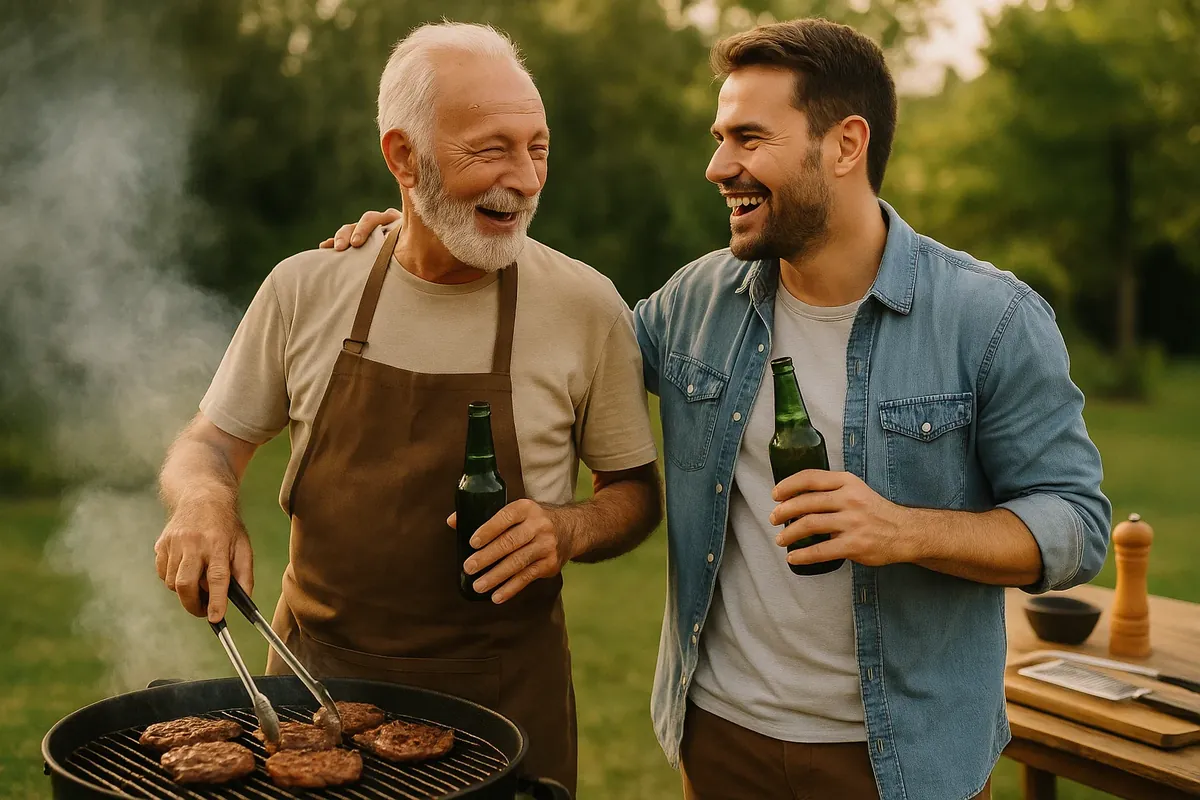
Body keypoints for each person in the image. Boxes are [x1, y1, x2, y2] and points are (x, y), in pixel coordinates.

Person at [324, 17, 1110, 800]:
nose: (716, 166)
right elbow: (570, 343)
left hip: (905, 756)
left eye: (748, 139)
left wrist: (900, 529)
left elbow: (1076, 525)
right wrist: (423, 230)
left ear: (845, 145)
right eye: (719, 136)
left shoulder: (989, 319)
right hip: (722, 741)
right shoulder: (697, 302)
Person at [154, 22, 662, 793]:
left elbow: (634, 494)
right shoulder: (306, 287)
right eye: (490, 148)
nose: (524, 178)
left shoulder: (586, 306)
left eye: (538, 148)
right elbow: (212, 443)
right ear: (403, 156)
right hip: (312, 693)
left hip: (505, 704)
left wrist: (567, 528)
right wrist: (201, 498)